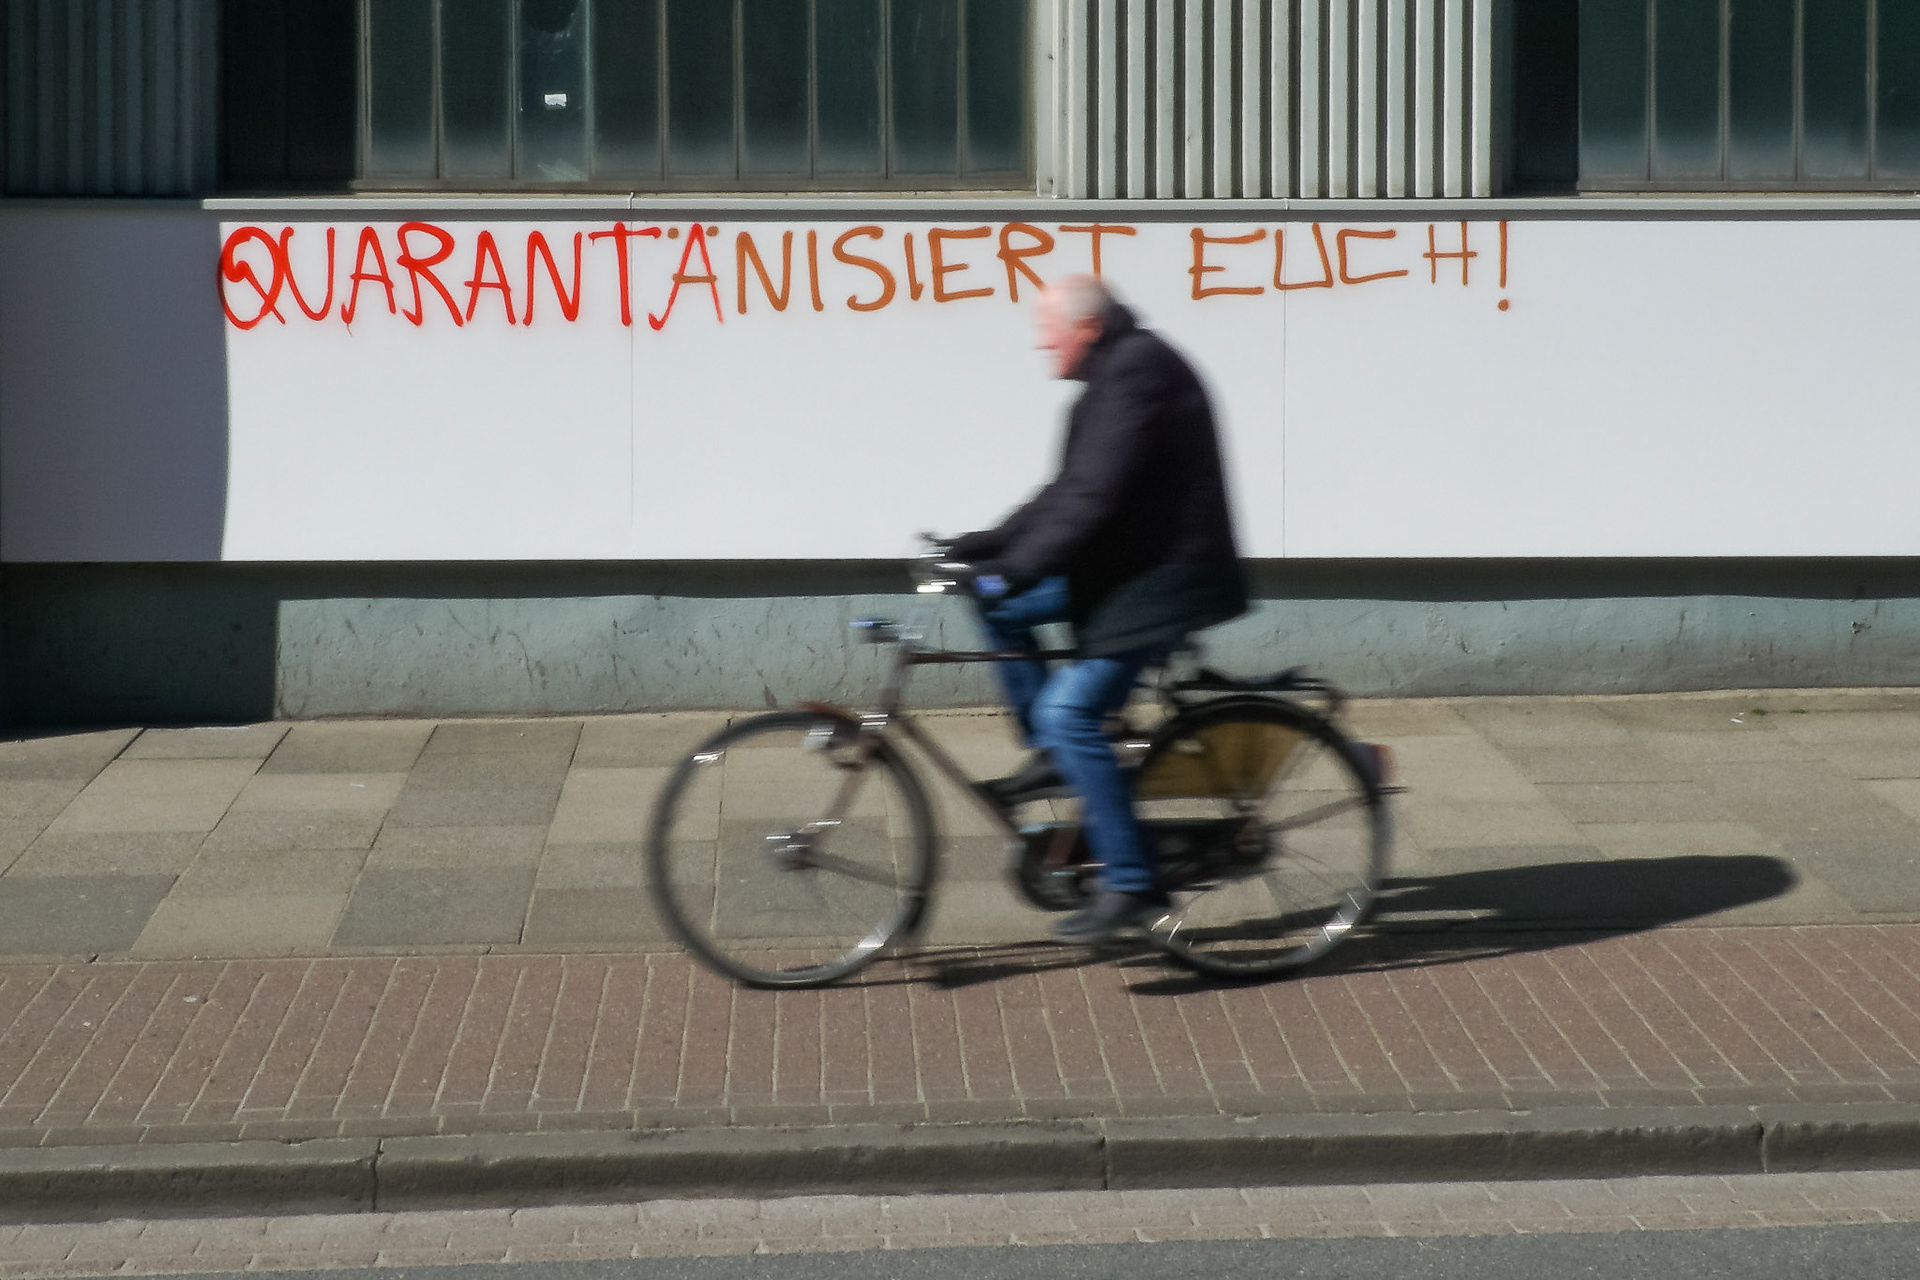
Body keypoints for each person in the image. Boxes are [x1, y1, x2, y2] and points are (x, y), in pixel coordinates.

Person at [944, 274, 1248, 944]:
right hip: (1125, 571)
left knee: (1069, 711)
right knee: (999, 610)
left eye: (1047, 330)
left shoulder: (1137, 372)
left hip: (1160, 582)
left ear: (1086, 328)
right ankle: (1056, 754)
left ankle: (1131, 881)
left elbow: (1093, 498)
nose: (1041, 342)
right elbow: (1066, 489)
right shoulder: (1112, 375)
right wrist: (985, 548)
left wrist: (1017, 567)